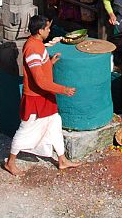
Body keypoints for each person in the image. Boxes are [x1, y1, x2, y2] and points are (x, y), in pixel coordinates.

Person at [4, 15, 79, 176]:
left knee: (54, 124)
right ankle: (10, 162)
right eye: (47, 28)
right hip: (36, 97)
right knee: (25, 130)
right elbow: (40, 82)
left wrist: (49, 62)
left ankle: (62, 159)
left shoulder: (36, 44)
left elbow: (38, 71)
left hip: (44, 96)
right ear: (40, 31)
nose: (49, 30)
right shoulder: (32, 49)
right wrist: (63, 89)